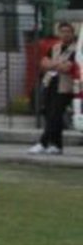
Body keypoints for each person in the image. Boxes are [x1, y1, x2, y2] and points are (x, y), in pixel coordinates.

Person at [30, 21, 76, 155]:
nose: (65, 34)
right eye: (63, 31)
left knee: (55, 114)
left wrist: (53, 64)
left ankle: (43, 143)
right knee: (49, 113)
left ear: (73, 33)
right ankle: (56, 145)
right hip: (51, 83)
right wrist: (57, 64)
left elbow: (67, 67)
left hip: (66, 86)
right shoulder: (55, 47)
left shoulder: (75, 49)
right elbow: (43, 63)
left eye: (68, 31)